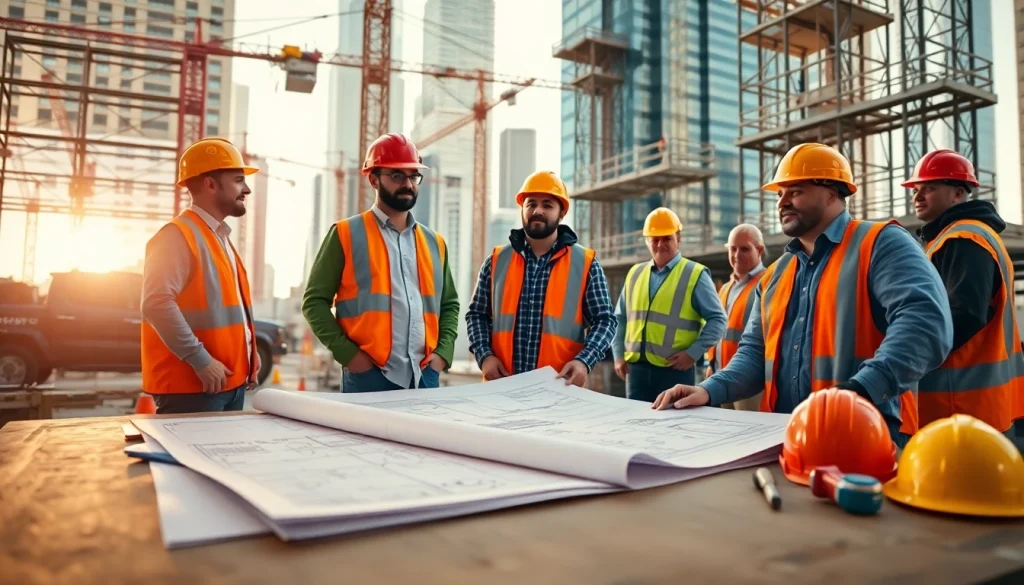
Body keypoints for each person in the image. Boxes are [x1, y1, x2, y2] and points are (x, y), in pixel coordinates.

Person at [652, 143, 953, 448]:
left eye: (795, 191)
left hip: (867, 436)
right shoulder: (774, 276)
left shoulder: (881, 244)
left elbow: (925, 325)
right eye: (780, 194)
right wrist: (708, 390)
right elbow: (755, 354)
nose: (782, 202)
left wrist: (860, 391)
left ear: (833, 193)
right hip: (786, 440)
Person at [302, 133, 459, 392]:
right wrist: (349, 356)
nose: (407, 184)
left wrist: (443, 354)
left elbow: (449, 304)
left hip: (425, 375)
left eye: (413, 176)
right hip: (369, 377)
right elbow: (314, 303)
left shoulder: (435, 243)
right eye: (397, 176)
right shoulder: (344, 234)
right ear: (373, 179)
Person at [907, 148, 1024, 440]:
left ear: (958, 193)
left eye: (929, 188)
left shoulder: (963, 239)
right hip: (974, 401)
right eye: (916, 189)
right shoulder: (959, 237)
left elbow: (965, 314)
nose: (917, 196)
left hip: (958, 403)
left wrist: (909, 356)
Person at [141, 137, 260, 414]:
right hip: (192, 387)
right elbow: (156, 303)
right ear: (210, 184)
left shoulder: (218, 238)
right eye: (238, 180)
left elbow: (228, 312)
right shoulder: (177, 236)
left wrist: (250, 357)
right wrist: (200, 359)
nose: (247, 189)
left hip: (228, 383)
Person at [465, 170, 616, 387]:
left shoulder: (585, 264)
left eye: (547, 205)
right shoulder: (496, 261)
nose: (538, 210)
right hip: (501, 385)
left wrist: (584, 362)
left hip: (559, 387)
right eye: (531, 204)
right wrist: (485, 356)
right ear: (522, 209)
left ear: (561, 213)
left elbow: (605, 320)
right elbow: (476, 314)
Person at [611, 207, 726, 402]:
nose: (660, 244)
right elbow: (620, 318)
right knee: (635, 428)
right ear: (647, 241)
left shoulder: (695, 274)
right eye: (655, 239)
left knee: (673, 428)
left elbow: (718, 320)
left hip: (674, 372)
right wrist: (618, 355)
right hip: (636, 370)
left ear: (678, 238)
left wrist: (693, 353)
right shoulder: (634, 273)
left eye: (667, 238)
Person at [707, 223, 767, 411]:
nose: (736, 255)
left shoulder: (769, 284)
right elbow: (719, 332)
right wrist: (711, 364)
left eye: (744, 249)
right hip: (721, 379)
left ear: (760, 250)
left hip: (749, 384)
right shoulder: (725, 289)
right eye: (732, 249)